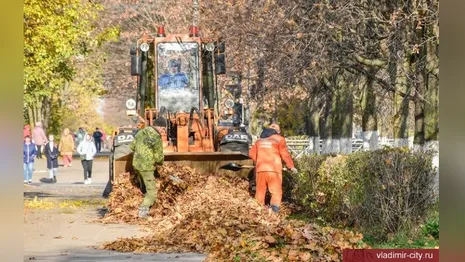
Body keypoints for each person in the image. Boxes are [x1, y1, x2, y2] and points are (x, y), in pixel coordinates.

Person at [249, 123, 298, 214]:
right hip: (274, 171)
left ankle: (258, 212)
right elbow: (285, 154)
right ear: (277, 132)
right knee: (276, 192)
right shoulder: (279, 139)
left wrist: (259, 160)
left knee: (260, 191)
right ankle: (274, 213)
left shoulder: (259, 141)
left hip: (261, 170)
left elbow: (251, 154)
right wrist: (291, 166)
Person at [130, 119, 166, 218]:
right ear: (158, 126)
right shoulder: (156, 136)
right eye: (163, 129)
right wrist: (161, 163)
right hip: (147, 167)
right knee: (152, 193)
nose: (163, 131)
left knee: (144, 187)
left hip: (137, 165)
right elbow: (158, 157)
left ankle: (144, 201)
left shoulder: (141, 132)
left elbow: (132, 146)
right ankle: (142, 211)